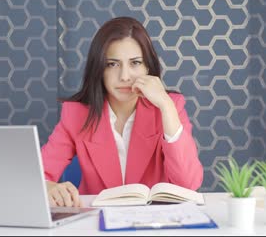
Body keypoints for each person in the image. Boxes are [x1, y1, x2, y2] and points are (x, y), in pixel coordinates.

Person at [41, 16, 203, 207]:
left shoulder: (169, 106)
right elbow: (38, 175)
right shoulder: (76, 113)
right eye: (112, 64)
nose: (125, 76)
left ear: (148, 67)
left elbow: (188, 185)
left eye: (135, 63)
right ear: (99, 69)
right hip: (95, 224)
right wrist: (48, 186)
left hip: (154, 224)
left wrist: (166, 106)